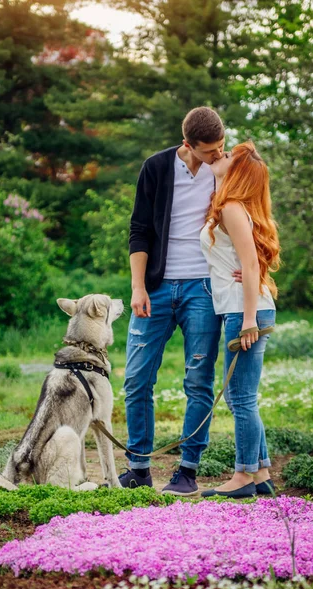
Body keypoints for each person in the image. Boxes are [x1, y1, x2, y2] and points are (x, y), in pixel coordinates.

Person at [119, 107, 241, 496]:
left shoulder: (228, 168)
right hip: (156, 287)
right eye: (210, 151)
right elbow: (139, 229)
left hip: (204, 289)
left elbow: (252, 217)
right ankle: (138, 468)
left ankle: (187, 471)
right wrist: (138, 286)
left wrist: (253, 267)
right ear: (187, 144)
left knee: (198, 380)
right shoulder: (155, 168)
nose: (217, 156)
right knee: (137, 378)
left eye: (221, 147)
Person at [199, 141, 280, 499]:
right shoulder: (232, 205)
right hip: (245, 307)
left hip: (244, 311)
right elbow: (248, 264)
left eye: (229, 156)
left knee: (240, 397)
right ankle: (260, 471)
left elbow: (249, 265)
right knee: (241, 397)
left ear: (238, 173)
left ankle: (243, 476)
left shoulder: (232, 208)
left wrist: (248, 319)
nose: (221, 156)